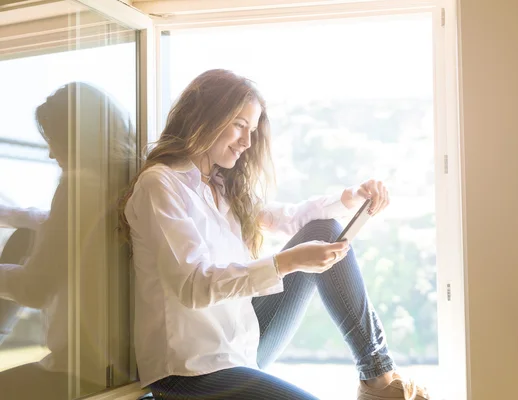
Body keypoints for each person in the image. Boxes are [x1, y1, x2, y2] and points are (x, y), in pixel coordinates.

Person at [118, 69, 429, 400]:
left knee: (326, 229)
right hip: (188, 370)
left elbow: (295, 218)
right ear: (204, 116)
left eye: (252, 130)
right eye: (239, 125)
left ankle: (378, 378)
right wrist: (288, 262)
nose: (247, 142)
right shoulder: (161, 185)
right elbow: (194, 286)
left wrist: (352, 196)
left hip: (241, 350)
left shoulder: (224, 187)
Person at [0, 82, 134, 399]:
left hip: (78, 373)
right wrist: (10, 214)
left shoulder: (78, 185)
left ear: (76, 139)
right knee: (25, 235)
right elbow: (64, 227)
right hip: (128, 368)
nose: (50, 152)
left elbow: (33, 289)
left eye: (54, 140)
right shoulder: (128, 176)